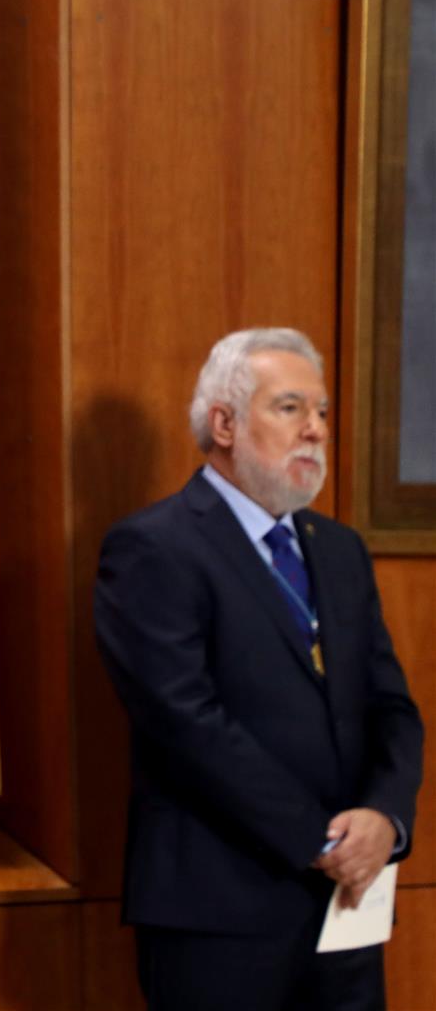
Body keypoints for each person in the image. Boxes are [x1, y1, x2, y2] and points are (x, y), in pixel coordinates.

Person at [94, 327, 424, 1011]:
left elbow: (391, 708)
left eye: (324, 412)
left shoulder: (339, 551)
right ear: (224, 423)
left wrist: (386, 819)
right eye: (291, 408)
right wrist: (315, 837)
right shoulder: (155, 547)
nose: (316, 430)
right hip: (220, 916)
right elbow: (184, 723)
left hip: (346, 906)